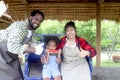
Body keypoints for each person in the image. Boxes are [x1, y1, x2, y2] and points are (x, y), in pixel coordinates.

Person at [0, 9, 44, 80]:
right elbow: (13, 46)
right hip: (2, 53)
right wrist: (34, 50)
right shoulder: (20, 27)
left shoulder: (30, 31)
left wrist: (33, 46)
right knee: (8, 77)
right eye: (36, 19)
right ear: (30, 17)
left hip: (11, 55)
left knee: (18, 75)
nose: (37, 22)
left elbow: (26, 43)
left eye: (40, 21)